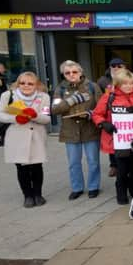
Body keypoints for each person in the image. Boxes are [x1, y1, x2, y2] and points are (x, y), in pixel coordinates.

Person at [93, 69, 133, 205]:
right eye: (124, 84)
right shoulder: (109, 97)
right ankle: (121, 192)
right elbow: (96, 114)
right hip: (119, 141)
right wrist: (103, 124)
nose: (128, 87)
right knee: (122, 169)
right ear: (118, 84)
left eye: (130, 83)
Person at [0, 72, 51, 208]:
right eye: (22, 82)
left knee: (37, 166)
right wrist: (15, 118)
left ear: (36, 85)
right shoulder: (8, 96)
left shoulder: (44, 97)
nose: (26, 85)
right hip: (16, 136)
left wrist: (35, 116)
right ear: (17, 83)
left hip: (36, 136)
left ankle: (38, 194)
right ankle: (28, 196)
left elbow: (47, 118)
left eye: (30, 83)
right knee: (22, 168)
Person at [51, 61, 103, 200]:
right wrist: (71, 100)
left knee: (93, 161)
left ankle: (93, 187)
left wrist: (91, 114)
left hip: (89, 128)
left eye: (74, 72)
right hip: (70, 130)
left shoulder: (92, 86)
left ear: (81, 72)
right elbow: (55, 109)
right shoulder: (60, 89)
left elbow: (101, 107)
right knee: (74, 162)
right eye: (67, 73)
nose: (71, 75)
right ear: (64, 74)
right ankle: (77, 188)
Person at [97, 57, 126, 178]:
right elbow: (99, 98)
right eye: (113, 66)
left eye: (119, 66)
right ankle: (113, 165)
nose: (116, 68)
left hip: (126, 117)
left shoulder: (130, 78)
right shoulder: (103, 81)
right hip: (110, 116)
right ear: (110, 68)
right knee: (112, 143)